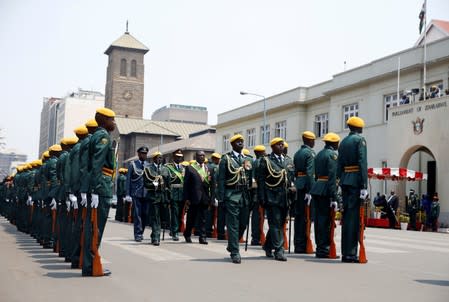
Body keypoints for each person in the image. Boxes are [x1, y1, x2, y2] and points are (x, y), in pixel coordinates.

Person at [82, 107, 116, 277]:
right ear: (103, 121)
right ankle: (91, 266)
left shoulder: (96, 136)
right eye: (112, 120)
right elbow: (96, 164)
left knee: (92, 227)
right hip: (101, 186)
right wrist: (95, 189)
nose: (114, 123)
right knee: (96, 227)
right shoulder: (103, 137)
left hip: (99, 185)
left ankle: (89, 264)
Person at [257, 137, 295, 262]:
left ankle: (268, 245)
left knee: (280, 223)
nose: (281, 147)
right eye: (278, 145)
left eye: (282, 145)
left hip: (285, 197)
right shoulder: (266, 161)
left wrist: (294, 189)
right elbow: (261, 181)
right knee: (275, 223)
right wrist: (262, 198)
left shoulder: (288, 160)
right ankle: (279, 250)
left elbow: (291, 178)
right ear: (272, 147)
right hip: (272, 196)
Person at [217, 134, 253, 264]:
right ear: (232, 144)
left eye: (242, 142)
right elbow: (221, 179)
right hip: (231, 193)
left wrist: (253, 196)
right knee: (233, 224)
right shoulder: (226, 159)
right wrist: (220, 198)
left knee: (243, 223)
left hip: (244, 194)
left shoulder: (248, 159)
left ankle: (232, 244)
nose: (241, 144)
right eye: (238, 142)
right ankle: (235, 252)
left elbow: (251, 179)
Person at [337, 116, 368, 263]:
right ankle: (350, 253)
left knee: (347, 217)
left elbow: (339, 165)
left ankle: (345, 252)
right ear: (358, 128)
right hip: (356, 181)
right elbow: (362, 163)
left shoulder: (343, 142)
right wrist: (364, 185)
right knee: (354, 219)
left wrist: (340, 180)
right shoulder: (359, 141)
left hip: (345, 181)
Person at [310, 132, 340, 258]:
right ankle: (324, 249)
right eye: (337, 142)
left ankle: (320, 247)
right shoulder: (332, 155)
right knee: (325, 221)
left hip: (317, 188)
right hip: (326, 189)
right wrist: (334, 196)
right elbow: (332, 177)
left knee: (318, 220)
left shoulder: (319, 154)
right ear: (333, 143)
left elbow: (316, 174)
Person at [293, 131, 316, 253]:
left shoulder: (297, 153)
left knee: (299, 217)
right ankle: (303, 244)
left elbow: (295, 172)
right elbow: (310, 174)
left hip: (298, 185)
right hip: (306, 187)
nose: (314, 142)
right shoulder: (310, 153)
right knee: (307, 217)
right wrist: (310, 190)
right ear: (309, 141)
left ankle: (298, 244)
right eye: (313, 140)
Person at [183, 150, 213, 244]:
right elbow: (186, 185)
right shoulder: (190, 168)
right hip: (193, 198)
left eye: (203, 155)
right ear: (196, 157)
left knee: (203, 219)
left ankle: (202, 237)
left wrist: (212, 198)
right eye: (200, 155)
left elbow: (212, 185)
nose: (202, 157)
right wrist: (187, 199)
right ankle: (187, 234)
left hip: (205, 198)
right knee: (191, 218)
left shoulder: (209, 169)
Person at [126, 146, 150, 242]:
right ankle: (138, 234)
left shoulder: (149, 165)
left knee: (145, 214)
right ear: (138, 154)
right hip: (136, 193)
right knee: (137, 214)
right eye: (142, 153)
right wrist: (127, 194)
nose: (143, 155)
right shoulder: (133, 165)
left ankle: (141, 232)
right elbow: (128, 180)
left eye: (145, 154)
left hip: (146, 194)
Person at [143, 151, 167, 246]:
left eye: (161, 158)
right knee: (155, 217)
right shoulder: (148, 169)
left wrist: (168, 197)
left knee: (161, 218)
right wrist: (155, 184)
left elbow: (168, 184)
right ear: (154, 159)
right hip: (153, 196)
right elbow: (146, 184)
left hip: (163, 197)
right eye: (157, 157)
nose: (159, 159)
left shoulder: (165, 169)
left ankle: (155, 234)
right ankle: (156, 238)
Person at [163, 149, 185, 241]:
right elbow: (165, 181)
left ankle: (173, 230)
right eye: (177, 156)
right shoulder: (168, 167)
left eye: (180, 157)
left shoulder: (183, 168)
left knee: (180, 214)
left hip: (182, 193)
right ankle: (175, 232)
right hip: (173, 193)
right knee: (174, 213)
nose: (179, 158)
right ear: (173, 157)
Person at [250, 145, 266, 246]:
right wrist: (256, 192)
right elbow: (253, 180)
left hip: (257, 192)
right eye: (263, 152)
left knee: (258, 216)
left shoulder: (255, 162)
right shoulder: (258, 162)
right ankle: (256, 237)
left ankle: (256, 237)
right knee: (257, 216)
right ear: (259, 153)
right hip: (259, 193)